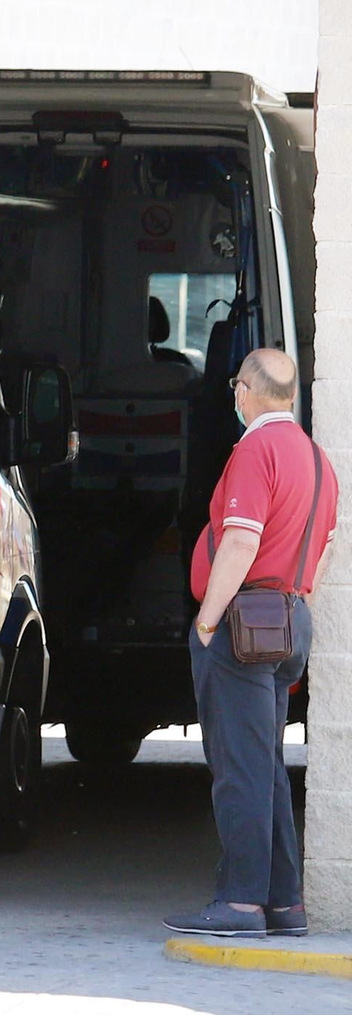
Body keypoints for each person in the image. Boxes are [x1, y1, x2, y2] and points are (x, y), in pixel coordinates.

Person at [163, 348, 337, 939]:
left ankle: (239, 903)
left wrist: (207, 621)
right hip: (289, 620)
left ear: (248, 392)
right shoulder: (318, 459)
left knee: (239, 768)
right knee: (264, 766)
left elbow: (240, 541)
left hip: (243, 624)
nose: (234, 396)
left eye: (237, 386)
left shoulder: (256, 450)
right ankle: (284, 904)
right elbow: (320, 548)